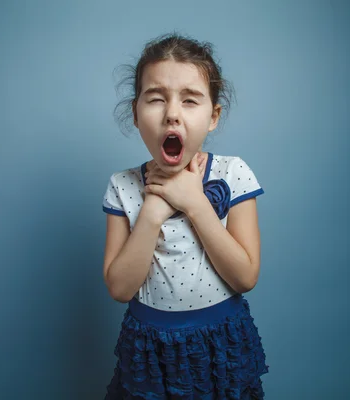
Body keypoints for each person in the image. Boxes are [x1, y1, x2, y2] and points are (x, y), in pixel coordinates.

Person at [102, 33, 269, 399]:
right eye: (156, 99)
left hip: (219, 343)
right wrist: (152, 212)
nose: (172, 113)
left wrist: (195, 203)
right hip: (149, 347)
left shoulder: (233, 173)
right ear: (135, 113)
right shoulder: (122, 186)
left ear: (213, 116)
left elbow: (245, 276)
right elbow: (119, 287)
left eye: (190, 100)